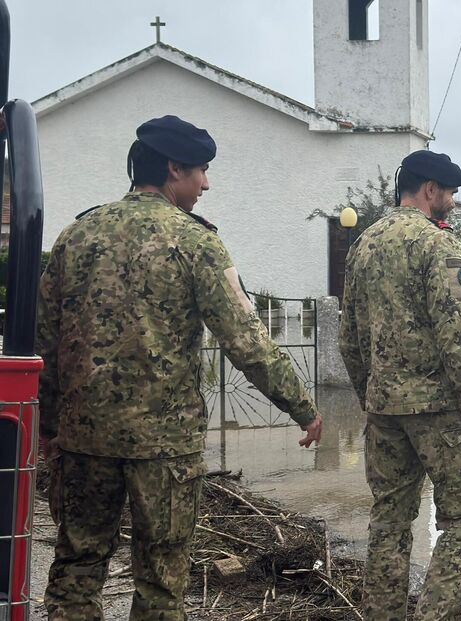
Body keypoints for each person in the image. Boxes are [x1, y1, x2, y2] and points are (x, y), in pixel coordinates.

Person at [36, 115, 323, 621]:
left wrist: (49, 429)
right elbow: (246, 341)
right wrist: (302, 408)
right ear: (173, 169)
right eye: (201, 172)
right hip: (162, 448)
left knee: (76, 571)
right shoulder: (196, 243)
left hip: (84, 442)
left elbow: (46, 343)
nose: (206, 184)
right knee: (162, 579)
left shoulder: (75, 236)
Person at [339, 149, 461, 620]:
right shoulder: (437, 246)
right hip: (439, 411)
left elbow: (348, 338)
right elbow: (457, 334)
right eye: (448, 194)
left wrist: (372, 393)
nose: (450, 203)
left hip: (384, 409)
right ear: (430, 190)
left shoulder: (364, 244)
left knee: (389, 520)